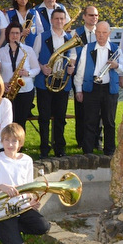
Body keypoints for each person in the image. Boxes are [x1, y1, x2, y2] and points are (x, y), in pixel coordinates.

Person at [0, 123, 51, 243]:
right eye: (6, 140)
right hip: (4, 209)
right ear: (2, 141)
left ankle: (3, 227)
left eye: (14, 141)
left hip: (22, 207)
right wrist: (2, 187)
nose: (10, 144)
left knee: (44, 227)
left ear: (20, 143)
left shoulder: (27, 160)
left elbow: (28, 188)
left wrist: (31, 201)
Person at [74, 21, 123, 156]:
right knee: (89, 121)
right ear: (95, 33)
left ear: (109, 34)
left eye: (104, 33)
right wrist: (79, 89)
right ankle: (88, 152)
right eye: (98, 32)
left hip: (109, 90)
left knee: (109, 122)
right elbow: (80, 70)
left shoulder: (116, 49)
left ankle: (109, 152)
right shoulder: (88, 48)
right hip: (92, 88)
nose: (101, 35)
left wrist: (117, 66)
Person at [33, 8, 76, 158]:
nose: (59, 21)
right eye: (56, 18)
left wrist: (71, 68)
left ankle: (60, 148)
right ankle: (44, 148)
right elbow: (34, 57)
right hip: (44, 82)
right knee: (44, 118)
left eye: (61, 19)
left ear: (65, 20)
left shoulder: (70, 38)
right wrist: (41, 67)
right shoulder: (41, 37)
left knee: (60, 118)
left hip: (62, 82)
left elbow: (72, 59)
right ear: (51, 20)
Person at [0, 22, 40, 130]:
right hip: (7, 91)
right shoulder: (0, 52)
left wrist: (28, 73)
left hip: (25, 90)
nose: (14, 35)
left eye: (17, 33)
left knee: (21, 122)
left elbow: (37, 68)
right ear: (8, 34)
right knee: (7, 121)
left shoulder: (28, 50)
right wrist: (2, 83)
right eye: (12, 33)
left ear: (21, 34)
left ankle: (19, 145)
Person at [72, 6, 99, 148]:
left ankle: (96, 140)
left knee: (98, 110)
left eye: (95, 15)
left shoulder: (100, 32)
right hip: (80, 75)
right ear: (84, 16)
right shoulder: (75, 33)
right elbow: (71, 53)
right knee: (81, 109)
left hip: (98, 75)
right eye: (90, 15)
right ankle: (81, 140)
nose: (93, 18)